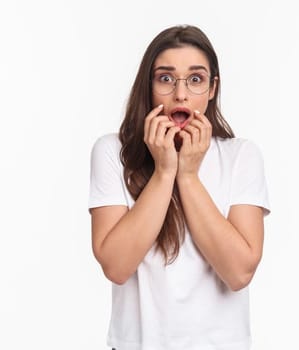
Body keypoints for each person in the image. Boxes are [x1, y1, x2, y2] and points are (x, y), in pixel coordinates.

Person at [88, 25, 271, 350]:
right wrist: (164, 171)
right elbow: (115, 266)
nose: (181, 94)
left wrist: (187, 176)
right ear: (149, 86)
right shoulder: (112, 152)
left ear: (213, 88)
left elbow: (239, 273)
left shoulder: (240, 156)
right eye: (166, 79)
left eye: (196, 79)